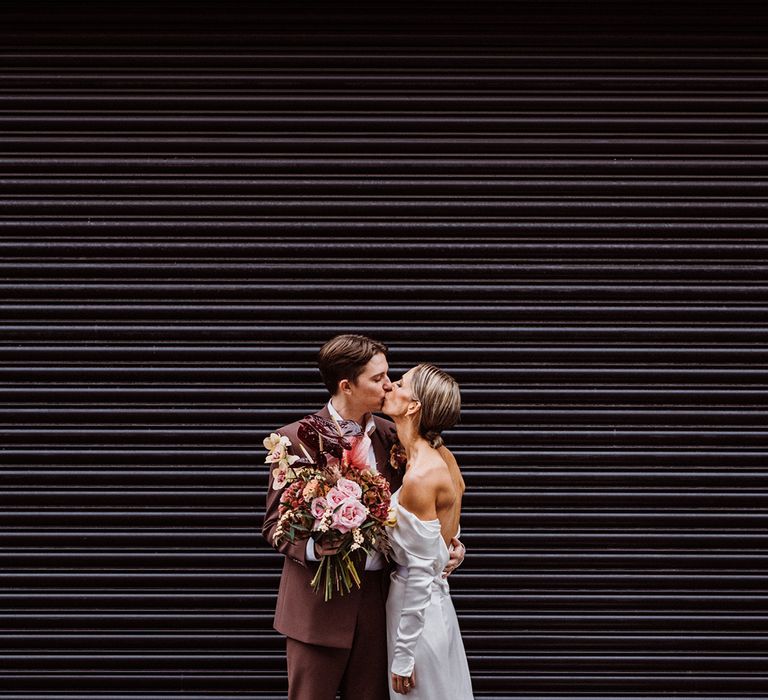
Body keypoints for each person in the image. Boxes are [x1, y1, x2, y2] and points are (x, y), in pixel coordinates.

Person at [261, 334, 465, 700]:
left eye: (390, 376)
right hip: (316, 608)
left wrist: (446, 544)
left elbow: (428, 507)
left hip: (379, 608)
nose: (389, 385)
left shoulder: (396, 436)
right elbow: (275, 525)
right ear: (346, 385)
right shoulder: (293, 441)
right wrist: (314, 548)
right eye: (378, 378)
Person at [382, 363, 474, 699]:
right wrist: (451, 550)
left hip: (415, 616)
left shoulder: (420, 475)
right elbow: (447, 522)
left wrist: (404, 657)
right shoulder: (443, 456)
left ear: (413, 406)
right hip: (434, 606)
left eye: (400, 382)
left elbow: (420, 573)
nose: (389, 385)